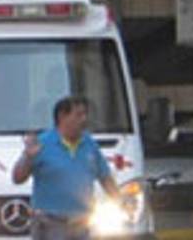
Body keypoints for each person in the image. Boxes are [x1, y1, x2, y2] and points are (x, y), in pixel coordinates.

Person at [12, 96, 129, 240]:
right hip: (50, 224)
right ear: (62, 116)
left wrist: (120, 201)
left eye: (85, 114)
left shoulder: (89, 144)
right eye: (78, 115)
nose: (84, 119)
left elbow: (105, 177)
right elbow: (17, 178)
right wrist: (28, 157)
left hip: (83, 224)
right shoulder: (42, 143)